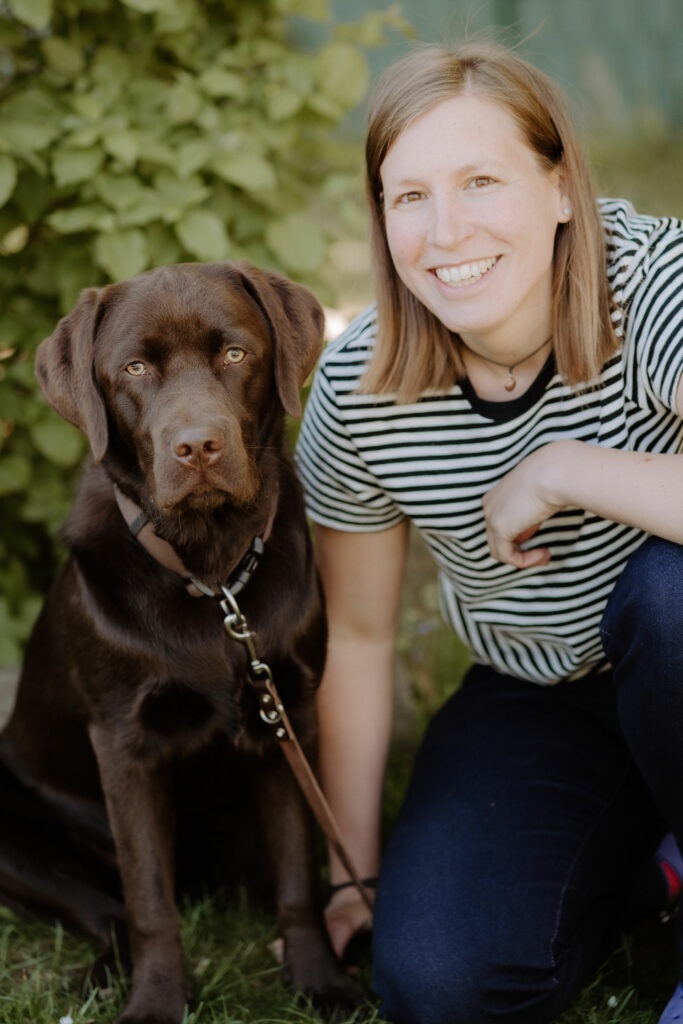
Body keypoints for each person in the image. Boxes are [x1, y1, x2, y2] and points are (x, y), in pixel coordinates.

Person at [295, 39, 683, 1024]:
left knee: (668, 596)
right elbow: (360, 636)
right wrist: (352, 873)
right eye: (409, 196)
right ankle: (654, 864)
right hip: (545, 689)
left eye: (480, 181)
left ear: (559, 188)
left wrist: (560, 469)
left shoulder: (656, 289)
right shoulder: (359, 390)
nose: (445, 230)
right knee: (440, 979)